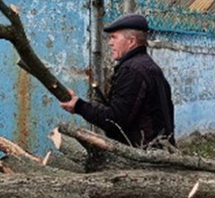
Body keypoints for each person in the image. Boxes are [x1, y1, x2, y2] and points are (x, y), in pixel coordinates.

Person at [60, 13, 175, 147]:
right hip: (158, 150)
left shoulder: (133, 71)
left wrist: (80, 106)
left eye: (114, 37)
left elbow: (115, 120)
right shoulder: (148, 66)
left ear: (131, 41)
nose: (110, 43)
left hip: (144, 157)